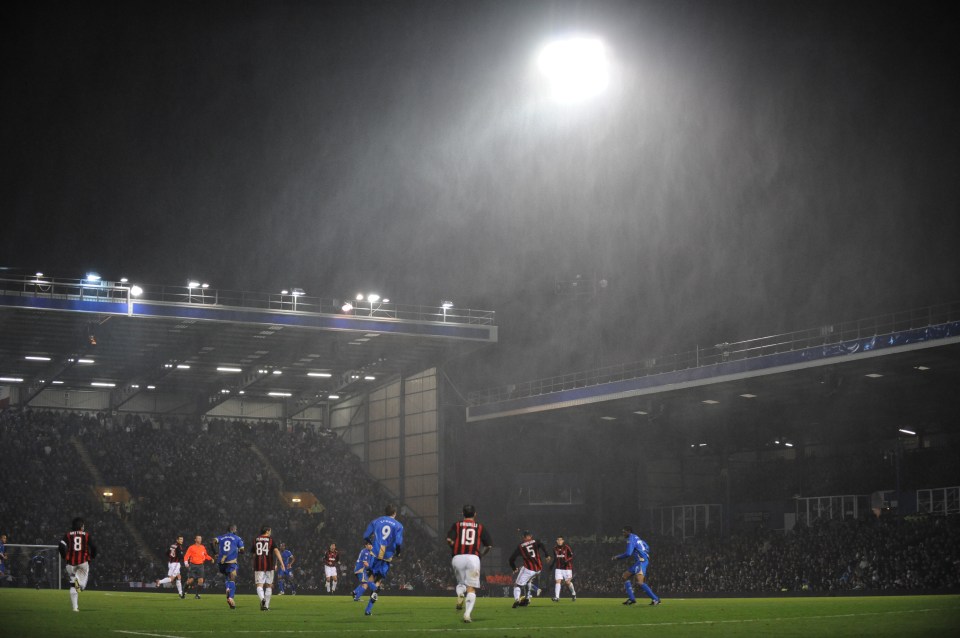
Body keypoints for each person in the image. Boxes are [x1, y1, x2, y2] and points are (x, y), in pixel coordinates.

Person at [352, 503, 404, 616]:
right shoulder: (399, 525)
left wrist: (370, 543)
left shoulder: (376, 521)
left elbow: (366, 535)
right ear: (394, 514)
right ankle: (368, 609)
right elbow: (399, 542)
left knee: (370, 578)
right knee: (378, 582)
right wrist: (398, 553)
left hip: (375, 555)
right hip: (387, 557)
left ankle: (373, 590)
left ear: (385, 513)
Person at [447, 504, 493, 624]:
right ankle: (467, 614)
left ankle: (460, 594)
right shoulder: (480, 527)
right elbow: (489, 545)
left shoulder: (457, 525)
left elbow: (449, 540)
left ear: (463, 514)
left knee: (461, 583)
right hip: (473, 558)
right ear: (475, 514)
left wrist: (454, 547)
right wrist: (481, 554)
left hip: (457, 558)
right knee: (471, 588)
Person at [611, 525, 660, 606]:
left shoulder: (631, 538)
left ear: (629, 531)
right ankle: (632, 599)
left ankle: (656, 599)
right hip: (639, 561)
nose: (623, 534)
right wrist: (645, 553)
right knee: (625, 576)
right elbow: (647, 547)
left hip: (641, 561)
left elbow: (628, 553)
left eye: (624, 532)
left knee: (640, 581)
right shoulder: (637, 538)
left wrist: (617, 557)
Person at [58, 517, 97, 612]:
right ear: (81, 526)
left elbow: (61, 545)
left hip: (70, 564)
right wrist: (92, 557)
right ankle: (77, 582)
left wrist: (64, 556)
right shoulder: (86, 535)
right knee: (81, 587)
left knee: (74, 586)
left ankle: (75, 608)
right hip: (82, 563)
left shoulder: (68, 535)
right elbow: (94, 547)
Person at [508, 530, 548, 608]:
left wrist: (514, 568)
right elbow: (542, 545)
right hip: (538, 569)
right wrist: (547, 555)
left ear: (523, 537)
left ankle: (517, 600)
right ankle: (527, 599)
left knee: (517, 585)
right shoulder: (536, 541)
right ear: (531, 536)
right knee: (528, 581)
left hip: (529, 569)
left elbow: (511, 559)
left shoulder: (521, 546)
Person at [252, 526, 285, 611]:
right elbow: (276, 551)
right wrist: (282, 563)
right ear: (267, 531)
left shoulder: (256, 539)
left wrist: (254, 563)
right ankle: (266, 606)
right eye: (270, 530)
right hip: (269, 565)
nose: (271, 532)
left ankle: (262, 598)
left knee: (259, 585)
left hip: (259, 565)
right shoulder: (270, 540)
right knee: (269, 585)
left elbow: (254, 554)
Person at [213, 524, 245, 609]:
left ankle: (227, 588)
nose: (236, 530)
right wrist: (238, 550)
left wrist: (215, 553)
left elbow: (212, 541)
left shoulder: (221, 537)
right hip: (231, 561)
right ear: (233, 529)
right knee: (232, 578)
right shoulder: (237, 538)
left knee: (227, 576)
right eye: (236, 529)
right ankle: (231, 597)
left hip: (221, 562)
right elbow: (242, 550)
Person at [182, 535, 213, 599]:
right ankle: (183, 593)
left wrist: (211, 558)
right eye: (198, 538)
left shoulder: (202, 547)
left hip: (200, 566)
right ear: (195, 540)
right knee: (190, 581)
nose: (200, 539)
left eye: (201, 538)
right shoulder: (191, 547)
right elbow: (186, 556)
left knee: (201, 581)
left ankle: (197, 595)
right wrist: (186, 563)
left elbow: (206, 555)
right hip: (193, 565)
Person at [551, 536, 576, 602]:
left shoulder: (566, 547)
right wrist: (552, 565)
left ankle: (573, 593)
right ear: (556, 541)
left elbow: (571, 556)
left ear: (563, 541)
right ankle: (557, 597)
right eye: (558, 540)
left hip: (567, 568)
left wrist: (566, 561)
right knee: (557, 581)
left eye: (560, 540)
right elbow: (555, 558)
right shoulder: (554, 548)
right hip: (558, 568)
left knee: (567, 582)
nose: (559, 541)